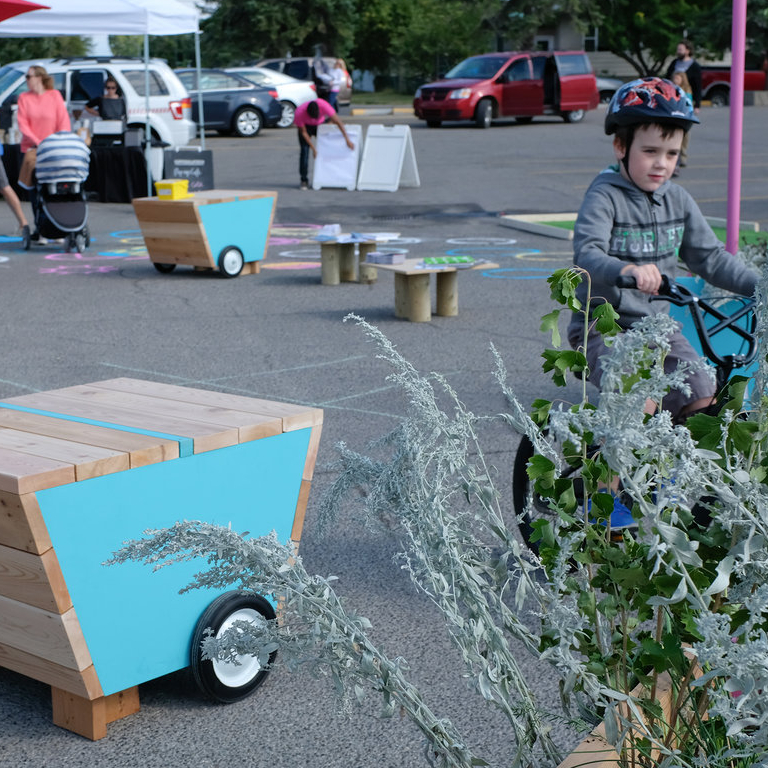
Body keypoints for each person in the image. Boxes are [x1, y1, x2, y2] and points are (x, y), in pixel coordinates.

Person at [567, 77, 758, 424]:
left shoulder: (678, 200)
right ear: (621, 146)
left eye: (671, 154)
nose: (662, 164)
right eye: (650, 152)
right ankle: (609, 478)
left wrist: (759, 287)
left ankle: (677, 477)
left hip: (659, 328)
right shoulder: (604, 196)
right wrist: (627, 271)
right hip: (604, 328)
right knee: (637, 396)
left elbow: (710, 258)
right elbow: (587, 255)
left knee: (702, 391)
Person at [17, 64, 70, 238]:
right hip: (33, 148)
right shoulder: (24, 98)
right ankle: (39, 225)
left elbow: (63, 121)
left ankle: (59, 223)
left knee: (56, 186)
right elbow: (23, 124)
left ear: (39, 77)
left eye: (28, 76)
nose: (27, 80)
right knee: (35, 187)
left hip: (53, 147)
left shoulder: (54, 95)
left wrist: (59, 141)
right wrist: (38, 142)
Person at [293, 98, 355, 190]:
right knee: (304, 152)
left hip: (320, 126)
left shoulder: (324, 105)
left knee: (327, 148)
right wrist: (313, 149)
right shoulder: (299, 113)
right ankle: (304, 180)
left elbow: (338, 122)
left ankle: (328, 177)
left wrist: (347, 139)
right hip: (306, 127)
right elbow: (304, 133)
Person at [665, 39, 702, 120]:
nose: (678, 52)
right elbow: (667, 79)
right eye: (678, 49)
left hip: (686, 98)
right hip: (672, 99)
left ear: (687, 51)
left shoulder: (695, 66)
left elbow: (698, 87)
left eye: (680, 50)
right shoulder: (674, 63)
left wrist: (697, 105)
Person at [670, 70, 693, 174]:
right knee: (675, 141)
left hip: (685, 117)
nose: (675, 80)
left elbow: (689, 105)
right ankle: (675, 163)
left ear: (682, 79)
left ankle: (682, 158)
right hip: (674, 117)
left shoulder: (686, 91)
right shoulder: (671, 89)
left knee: (684, 140)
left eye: (677, 78)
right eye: (674, 78)